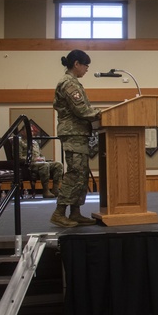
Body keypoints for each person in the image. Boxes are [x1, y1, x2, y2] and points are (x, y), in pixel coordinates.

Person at [52, 49, 101, 228]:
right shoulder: (68, 83)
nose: (87, 69)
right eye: (86, 65)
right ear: (76, 64)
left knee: (81, 174)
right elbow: (82, 110)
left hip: (79, 134)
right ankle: (59, 213)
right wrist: (102, 114)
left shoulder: (73, 82)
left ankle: (75, 212)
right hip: (73, 134)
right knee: (75, 174)